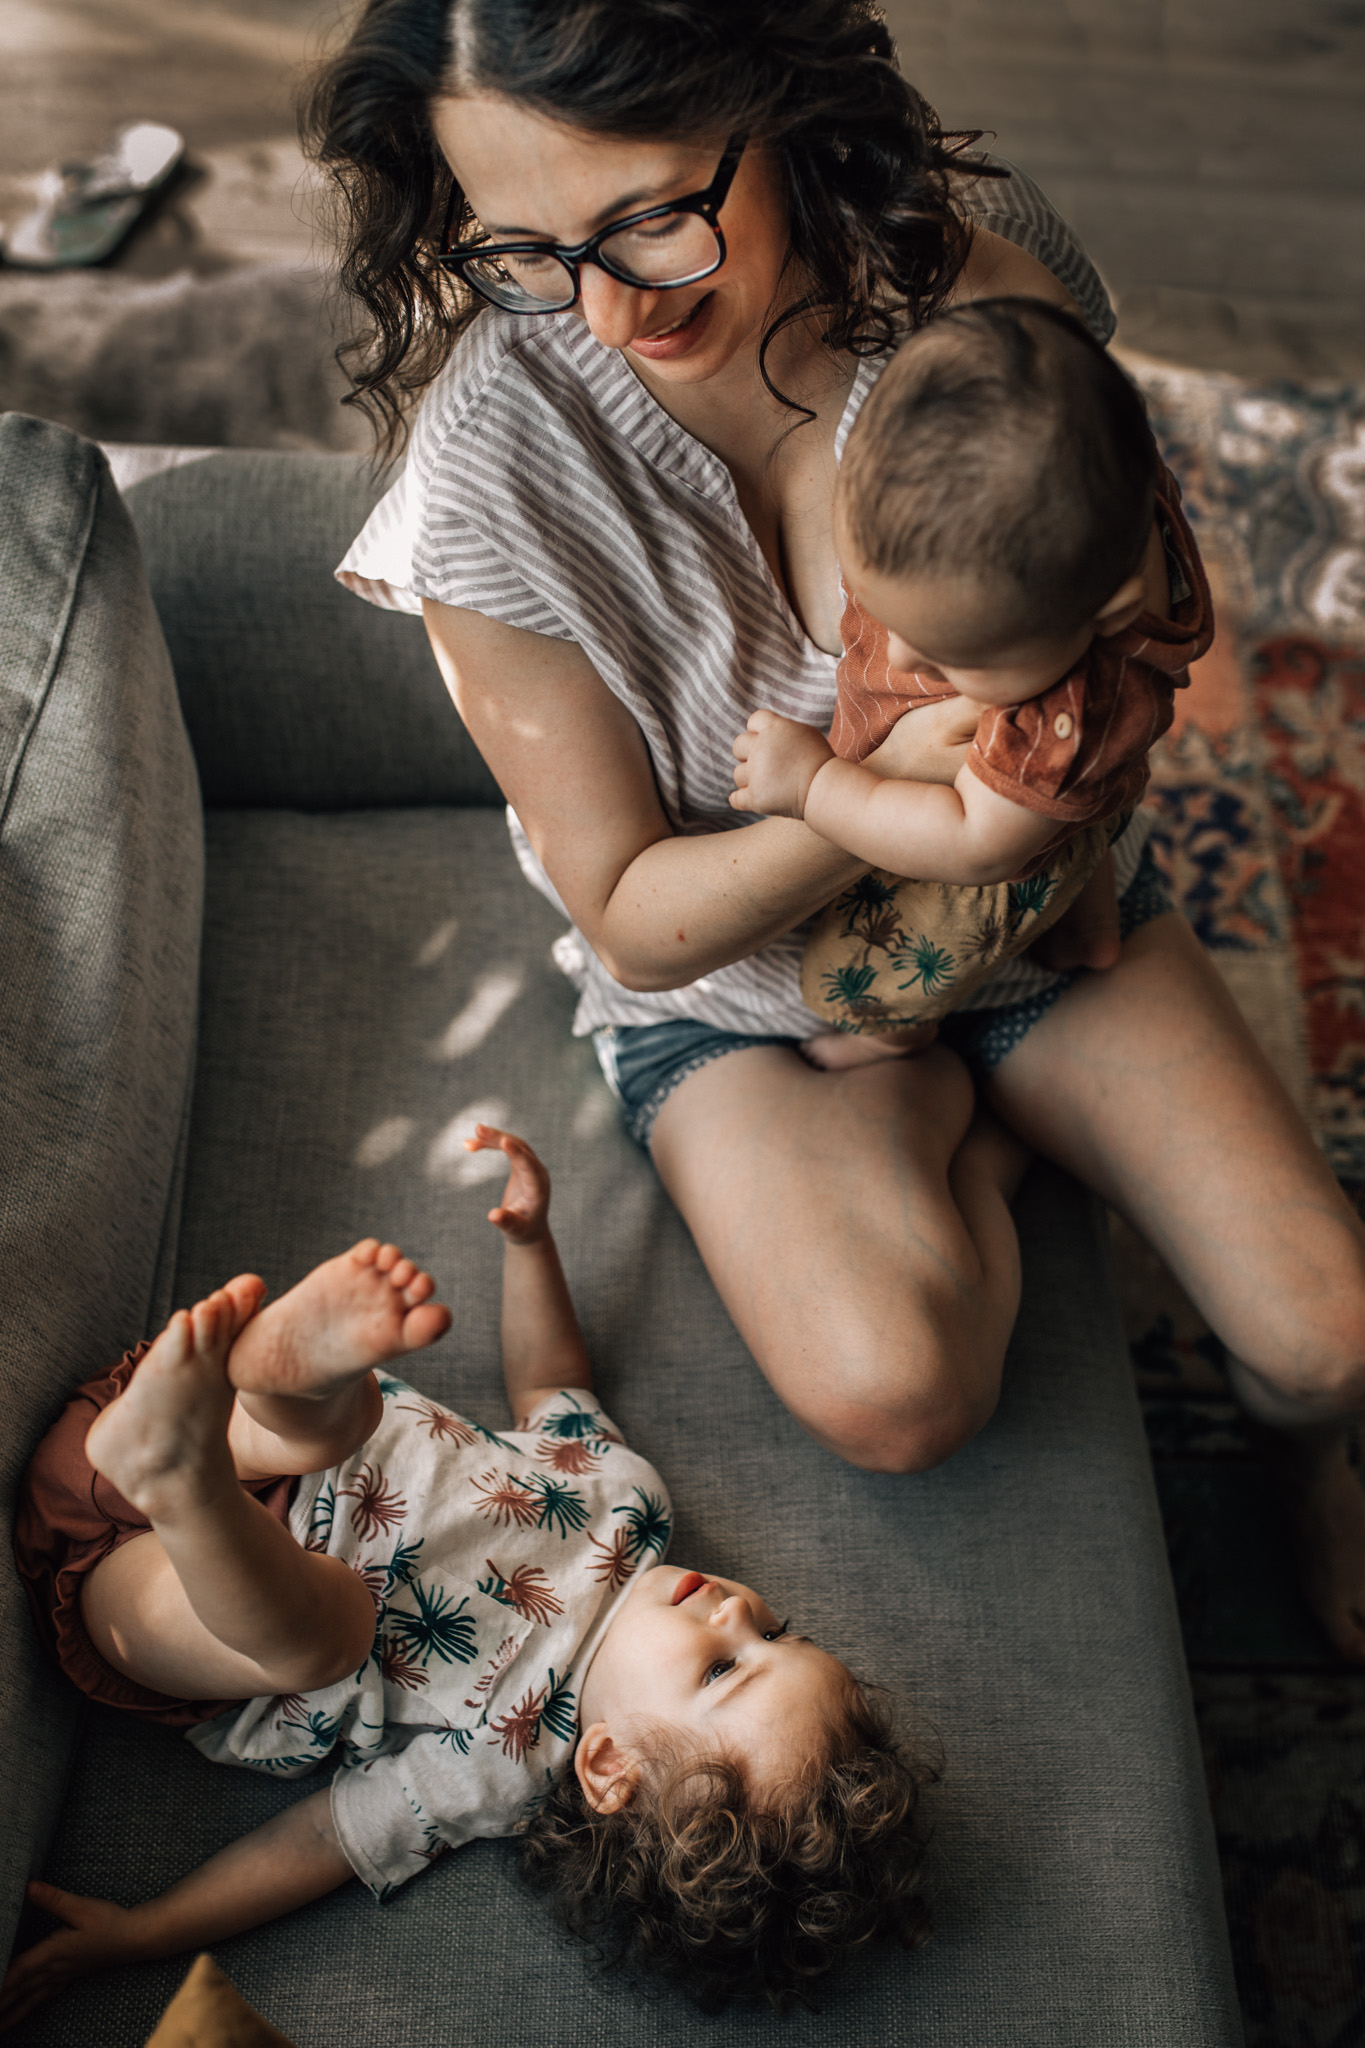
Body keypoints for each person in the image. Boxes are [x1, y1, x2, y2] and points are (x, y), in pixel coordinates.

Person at [309, 0, 1365, 1660]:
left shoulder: (983, 298)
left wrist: (1041, 776)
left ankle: (1310, 1469)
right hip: (737, 996)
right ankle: (976, 1120)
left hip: (1028, 920)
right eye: (519, 249)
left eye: (650, 212)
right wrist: (864, 786)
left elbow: (1139, 616)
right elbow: (641, 918)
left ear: (767, 90)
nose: (608, 303)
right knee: (897, 1389)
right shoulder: (488, 477)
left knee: (1328, 1337)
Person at [3, 1130, 929, 2030]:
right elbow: (550, 1382)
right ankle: (260, 1399)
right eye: (778, 1632)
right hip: (213, 1423)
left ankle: (188, 1480)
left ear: (608, 1763)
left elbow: (322, 1841)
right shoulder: (629, 1501)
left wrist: (150, 1930)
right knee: (344, 1415)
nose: (736, 1611)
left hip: (162, 1597)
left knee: (329, 1633)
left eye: (721, 1670)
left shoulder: (502, 1768)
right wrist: (530, 1244)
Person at [729, 296, 1212, 1067]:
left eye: (955, 654)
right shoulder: (1096, 500)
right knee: (1086, 817)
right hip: (1077, 792)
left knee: (869, 968)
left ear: (1106, 613)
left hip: (993, 845)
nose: (910, 663)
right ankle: (1088, 926)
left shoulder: (1052, 734)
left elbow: (971, 845)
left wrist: (816, 787)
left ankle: (899, 1034)